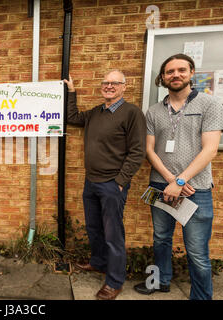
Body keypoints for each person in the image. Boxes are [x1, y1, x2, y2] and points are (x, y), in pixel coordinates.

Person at [134, 54, 223, 300]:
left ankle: (201, 297)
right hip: (160, 185)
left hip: (195, 189)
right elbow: (148, 149)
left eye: (181, 70)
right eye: (170, 71)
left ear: (191, 73)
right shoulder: (153, 111)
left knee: (197, 251)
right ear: (163, 77)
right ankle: (160, 281)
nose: (175, 75)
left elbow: (210, 149)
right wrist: (169, 180)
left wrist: (179, 181)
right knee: (160, 238)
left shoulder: (210, 105)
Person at [64, 70, 147, 300]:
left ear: (124, 86)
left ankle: (114, 281)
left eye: (114, 83)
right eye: (106, 83)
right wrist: (72, 92)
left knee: (113, 235)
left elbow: (138, 151)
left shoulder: (132, 113)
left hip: (112, 184)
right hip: (91, 182)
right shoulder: (96, 112)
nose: (109, 86)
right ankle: (99, 263)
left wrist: (121, 182)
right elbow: (72, 118)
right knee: (94, 228)